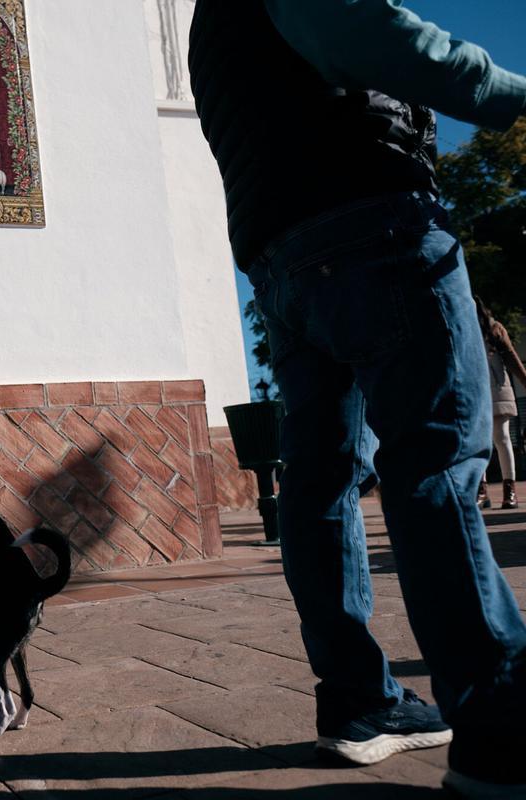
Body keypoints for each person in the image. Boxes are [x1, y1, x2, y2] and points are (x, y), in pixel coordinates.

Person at [190, 2, 526, 796]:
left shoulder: (208, 22)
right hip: (373, 225)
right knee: (435, 462)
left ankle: (358, 701)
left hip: (282, 261)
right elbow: (374, 36)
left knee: (320, 484)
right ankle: (502, 733)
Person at [474, 297, 526, 510]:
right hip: (474, 393)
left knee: (502, 438)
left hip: (498, 390)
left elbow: (512, 358)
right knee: (478, 442)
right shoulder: (460, 332)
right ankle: (481, 489)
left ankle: (509, 489)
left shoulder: (495, 329)